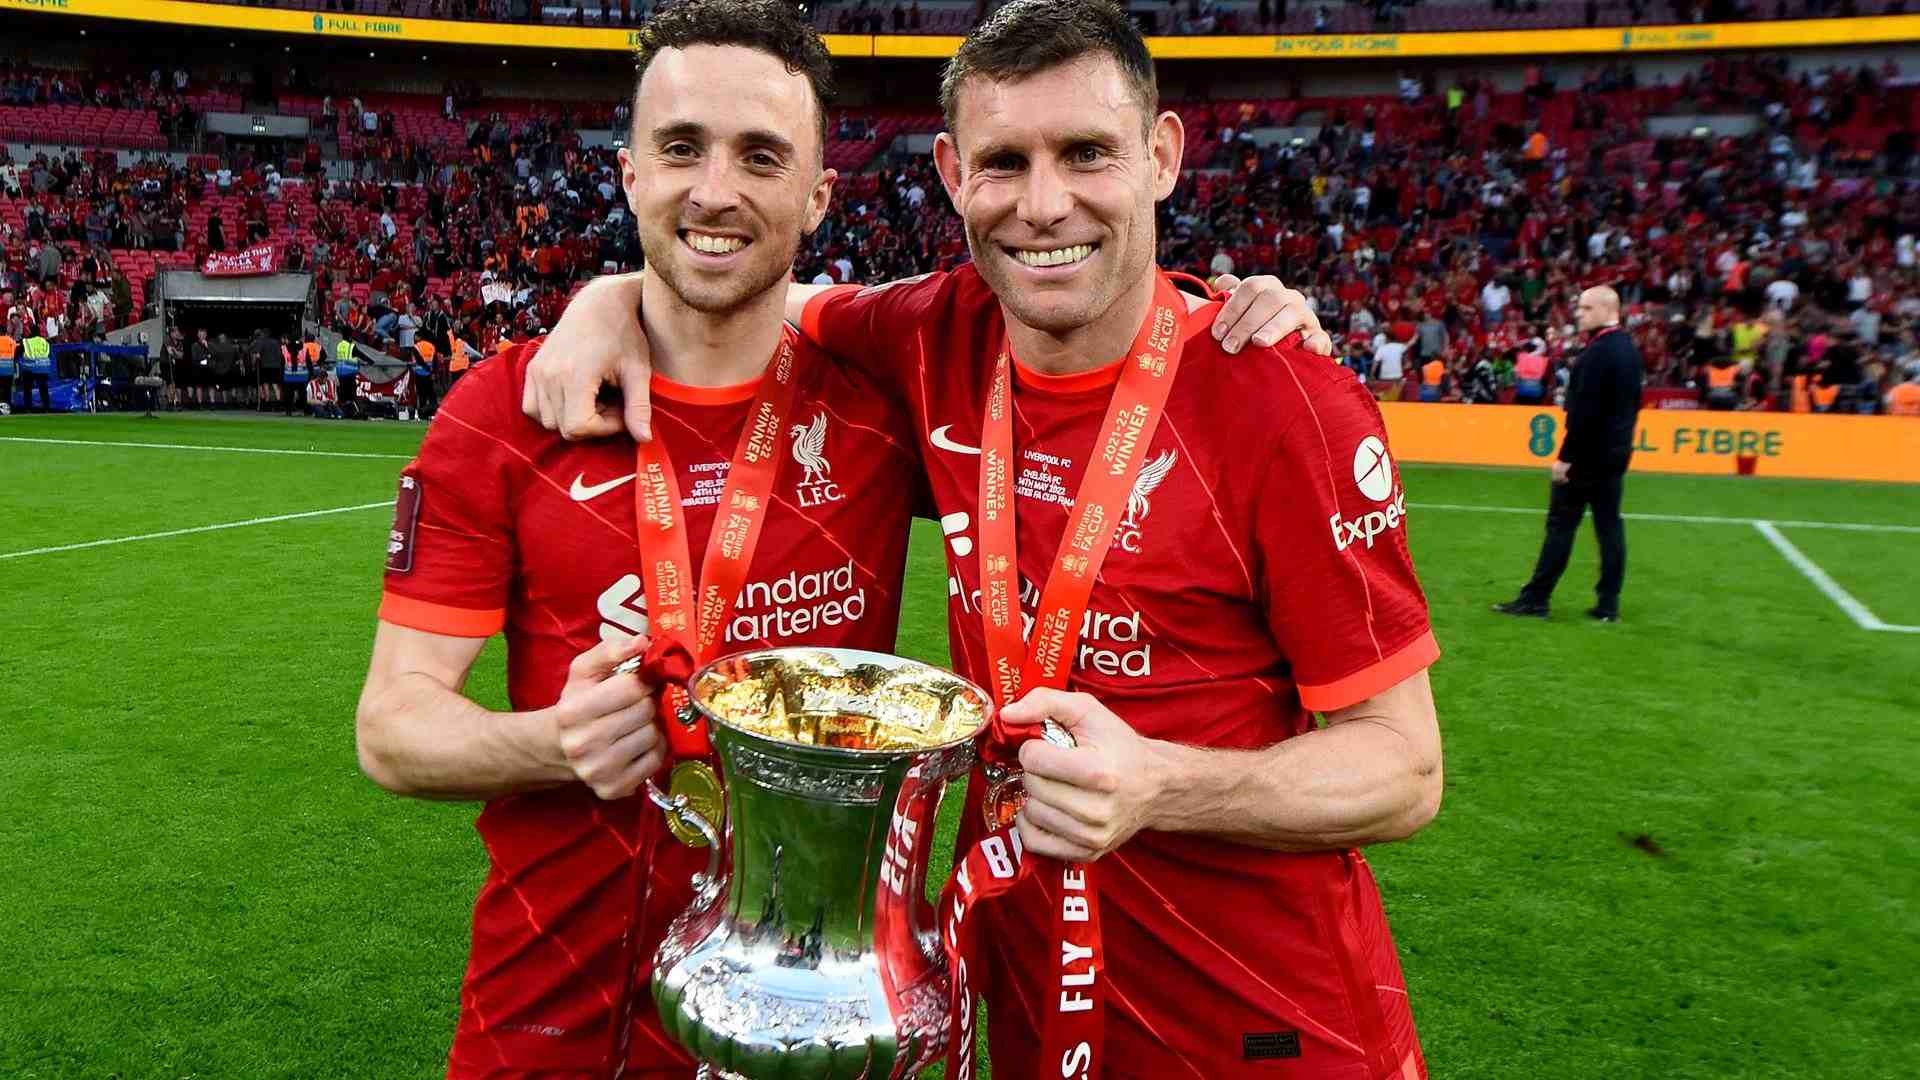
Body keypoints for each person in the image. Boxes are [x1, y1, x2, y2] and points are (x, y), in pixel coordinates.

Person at [356, 4, 1310, 1075]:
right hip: (546, 1019)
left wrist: (1237, 319)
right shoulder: (510, 408)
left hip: (814, 1021)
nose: (715, 191)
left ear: (816, 195)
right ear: (628, 174)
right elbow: (393, 729)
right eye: (680, 149)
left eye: (760, 157)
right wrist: (547, 745)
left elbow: (1083, 358)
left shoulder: (884, 402)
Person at [1495, 286, 1642, 623]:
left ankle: (1536, 598)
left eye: (1587, 308)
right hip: (1614, 456)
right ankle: (1608, 604)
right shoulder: (1628, 349)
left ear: (1608, 310)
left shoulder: (1598, 353)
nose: (1579, 313)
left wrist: (1566, 458)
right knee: (1609, 528)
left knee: (1561, 526)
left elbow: (1583, 415)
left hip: (1586, 458)